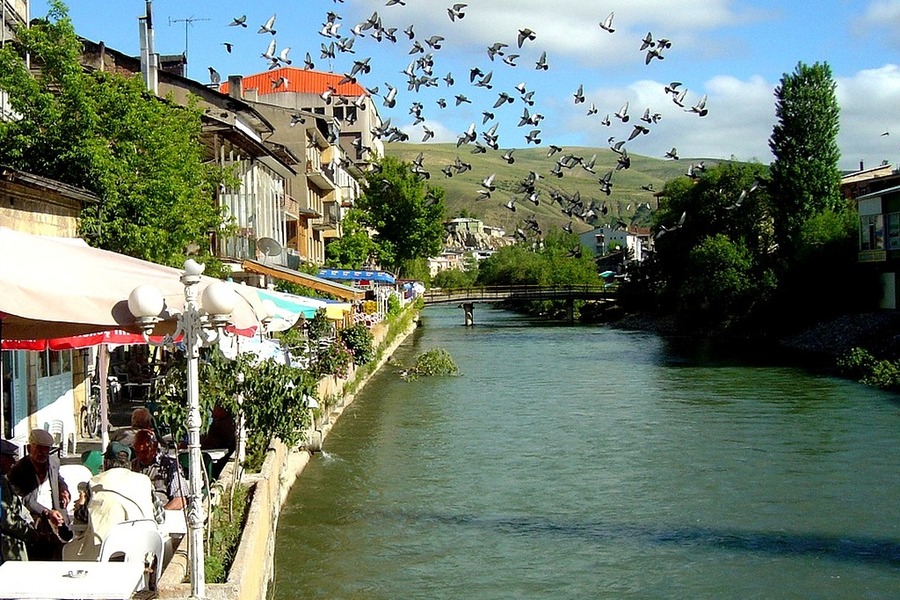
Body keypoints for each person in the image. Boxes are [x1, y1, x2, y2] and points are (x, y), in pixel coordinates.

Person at [64, 442, 164, 561]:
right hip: (140, 552)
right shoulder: (144, 481)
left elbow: (85, 516)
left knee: (68, 550)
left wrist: (80, 505)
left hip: (104, 552)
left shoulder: (95, 482)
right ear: (128, 463)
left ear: (106, 462)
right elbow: (160, 517)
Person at [7, 429, 71, 560]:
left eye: (46, 449)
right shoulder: (19, 470)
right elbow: (28, 500)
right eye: (39, 449)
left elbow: (59, 479)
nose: (42, 453)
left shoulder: (53, 462)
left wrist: (64, 488)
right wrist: (48, 513)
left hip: (56, 516)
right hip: (34, 518)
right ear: (29, 448)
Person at [131, 429, 187, 510]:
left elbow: (180, 500)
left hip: (162, 512)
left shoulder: (170, 465)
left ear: (155, 446)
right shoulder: (132, 466)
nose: (140, 456)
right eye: (137, 452)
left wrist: (161, 515)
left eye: (145, 452)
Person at [1, 440, 34, 563]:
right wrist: (30, 532)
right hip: (7, 544)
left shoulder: (4, 479)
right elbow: (7, 519)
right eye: (10, 458)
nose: (13, 462)